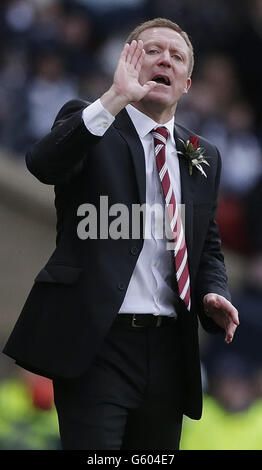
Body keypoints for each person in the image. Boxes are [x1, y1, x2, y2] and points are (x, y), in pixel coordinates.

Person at [3, 18, 239, 450]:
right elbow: (43, 165)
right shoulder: (89, 119)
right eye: (152, 50)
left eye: (177, 56)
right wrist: (115, 97)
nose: (165, 58)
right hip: (97, 342)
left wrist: (213, 292)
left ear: (187, 83)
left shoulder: (204, 154)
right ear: (128, 62)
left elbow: (205, 246)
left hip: (170, 348)